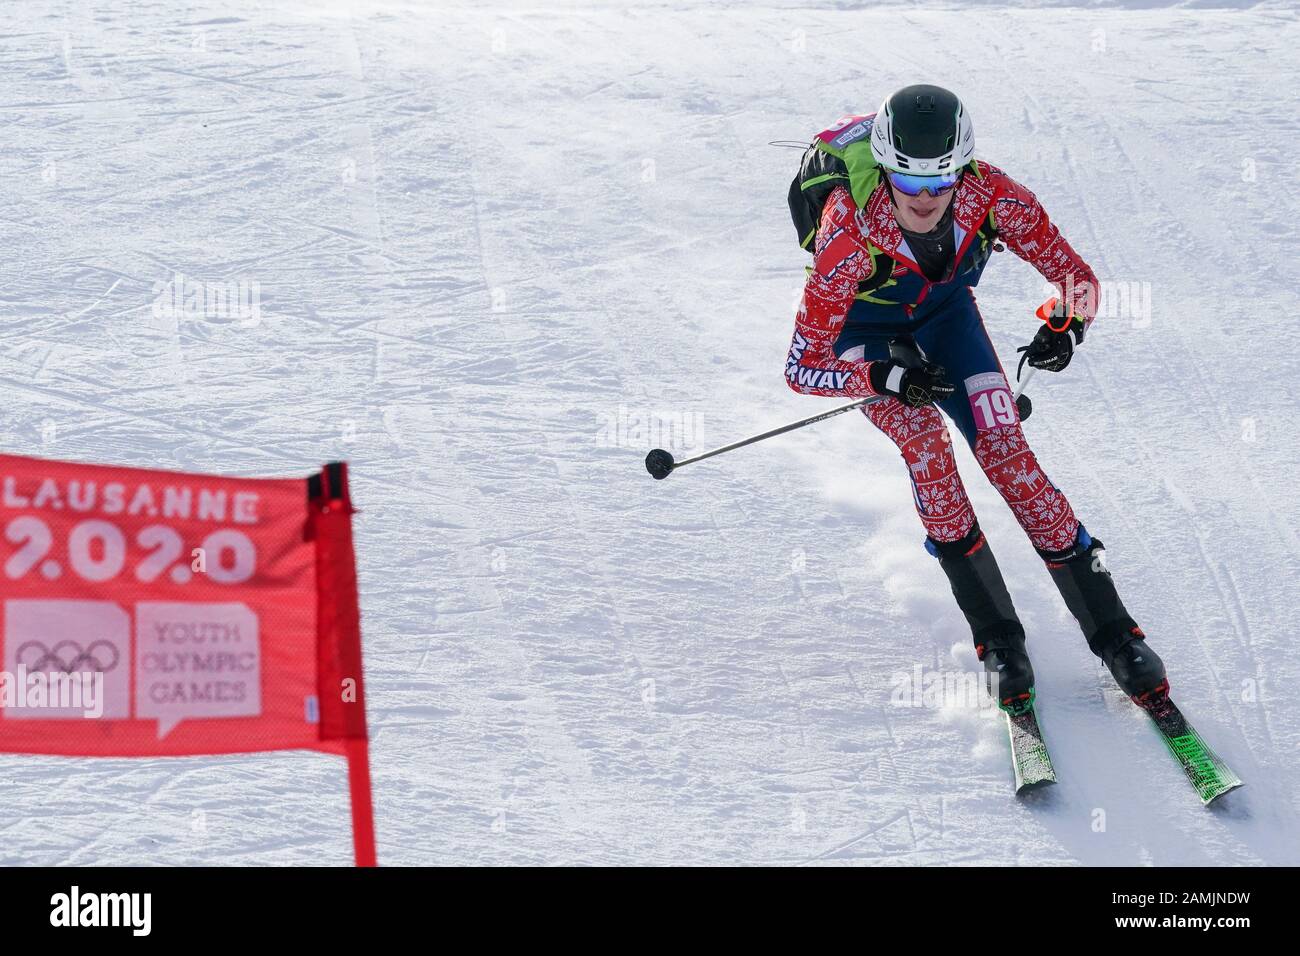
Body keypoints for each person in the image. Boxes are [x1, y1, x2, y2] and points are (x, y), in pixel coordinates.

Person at [785, 84, 1165, 713]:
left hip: (944, 318)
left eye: (943, 183)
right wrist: (886, 378)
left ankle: (1116, 632)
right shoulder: (846, 235)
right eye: (910, 185)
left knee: (1008, 455)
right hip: (863, 337)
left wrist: (1066, 323)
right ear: (885, 171)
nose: (928, 199)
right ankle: (997, 638)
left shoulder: (992, 193)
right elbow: (804, 366)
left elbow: (1079, 281)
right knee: (928, 445)